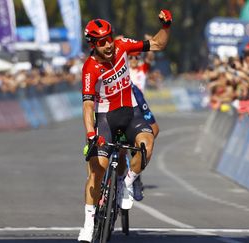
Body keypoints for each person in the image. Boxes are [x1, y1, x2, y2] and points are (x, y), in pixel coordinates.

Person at [78, 10, 172, 242]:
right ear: (93, 44)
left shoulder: (122, 46)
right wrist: (91, 135)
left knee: (147, 144)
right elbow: (88, 106)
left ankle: (126, 183)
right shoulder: (90, 68)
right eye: (101, 42)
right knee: (97, 170)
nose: (108, 45)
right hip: (105, 118)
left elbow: (158, 44)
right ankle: (89, 223)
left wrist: (167, 26)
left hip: (130, 113)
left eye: (109, 38)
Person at [128, 49, 160, 201]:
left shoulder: (142, 69)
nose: (134, 59)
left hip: (140, 104)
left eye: (136, 57)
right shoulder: (124, 68)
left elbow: (150, 58)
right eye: (131, 57)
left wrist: (151, 47)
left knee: (147, 136)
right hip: (125, 103)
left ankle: (136, 175)